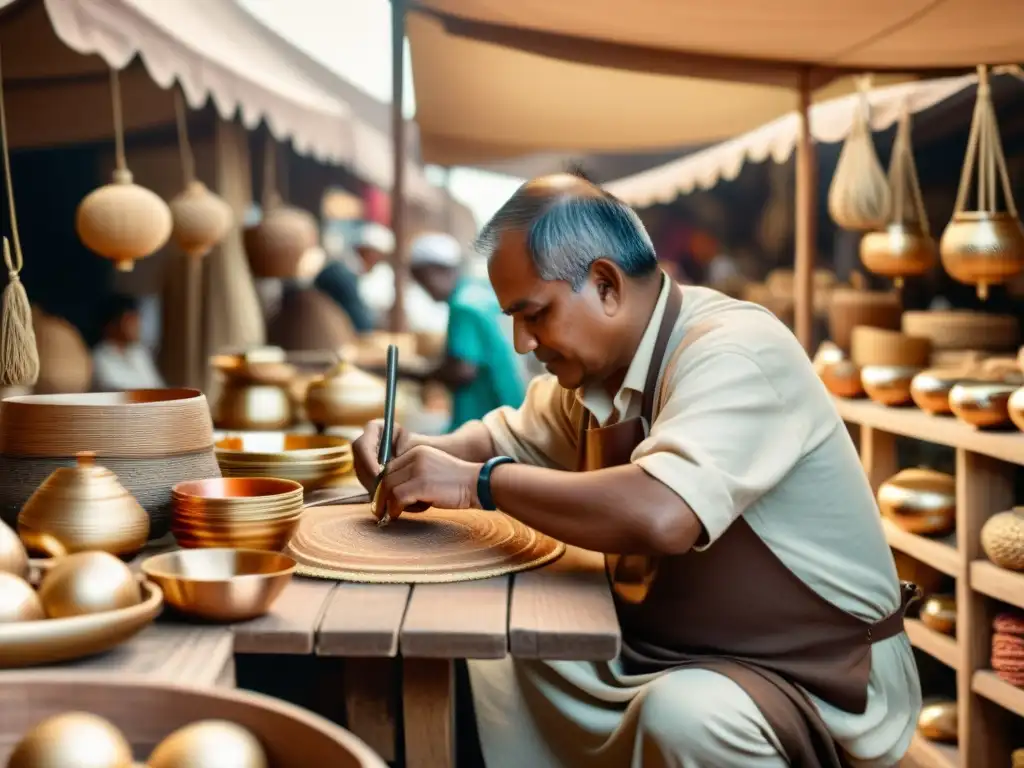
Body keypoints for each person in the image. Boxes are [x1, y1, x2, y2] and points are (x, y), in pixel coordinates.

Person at [352, 173, 920, 767]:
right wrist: (410, 449)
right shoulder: (593, 371)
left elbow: (662, 513)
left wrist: (477, 484)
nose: (521, 342)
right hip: (676, 643)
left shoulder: (733, 349)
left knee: (684, 717)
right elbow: (495, 439)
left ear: (605, 284)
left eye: (534, 314)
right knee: (501, 644)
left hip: (814, 669)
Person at [408, 232, 526, 431]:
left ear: (438, 271)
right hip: (509, 410)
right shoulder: (478, 293)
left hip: (486, 419)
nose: (424, 288)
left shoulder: (463, 306)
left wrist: (416, 373)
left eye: (422, 279)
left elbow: (462, 371)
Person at [92, 294, 165, 391]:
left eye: (137, 320)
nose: (137, 326)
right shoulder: (99, 358)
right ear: (112, 325)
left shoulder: (139, 353)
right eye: (130, 321)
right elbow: (115, 391)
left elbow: (159, 388)